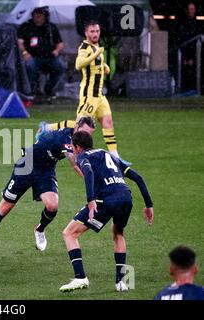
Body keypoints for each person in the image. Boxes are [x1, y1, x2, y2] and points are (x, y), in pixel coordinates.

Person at [0, 117, 96, 265]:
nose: (86, 137)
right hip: (27, 166)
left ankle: (40, 229)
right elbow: (76, 165)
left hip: (46, 170)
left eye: (90, 134)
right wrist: (94, 184)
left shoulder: (75, 136)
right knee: (5, 208)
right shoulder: (66, 140)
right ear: (77, 127)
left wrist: (40, 134)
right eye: (84, 132)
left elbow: (45, 126)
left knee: (52, 205)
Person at [59, 131, 153, 292]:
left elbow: (87, 172)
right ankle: (121, 282)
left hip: (106, 200)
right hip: (125, 198)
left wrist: (91, 200)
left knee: (69, 233)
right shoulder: (106, 154)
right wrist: (148, 205)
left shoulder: (83, 156)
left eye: (74, 147)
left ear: (78, 147)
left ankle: (80, 278)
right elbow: (137, 177)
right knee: (118, 233)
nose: (73, 150)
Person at [75, 21, 130, 165]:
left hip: (99, 94)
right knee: (81, 127)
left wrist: (103, 65)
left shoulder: (96, 46)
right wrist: (96, 55)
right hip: (89, 94)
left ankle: (116, 157)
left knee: (108, 122)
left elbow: (94, 63)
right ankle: (49, 128)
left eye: (97, 31)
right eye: (92, 31)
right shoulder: (85, 47)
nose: (95, 34)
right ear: (86, 33)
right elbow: (79, 64)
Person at [17, 7, 65, 99]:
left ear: (45, 17)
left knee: (60, 66)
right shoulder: (25, 26)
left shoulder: (51, 27)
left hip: (50, 56)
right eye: (36, 16)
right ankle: (32, 90)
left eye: (40, 16)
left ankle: (49, 89)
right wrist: (25, 53)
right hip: (32, 56)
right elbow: (19, 42)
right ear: (32, 16)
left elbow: (60, 43)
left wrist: (57, 51)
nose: (38, 18)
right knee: (30, 66)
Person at [176, 2, 202, 93]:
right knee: (186, 74)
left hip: (196, 54)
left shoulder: (197, 24)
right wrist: (185, 57)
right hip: (185, 54)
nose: (192, 11)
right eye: (190, 9)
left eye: (193, 9)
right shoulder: (182, 23)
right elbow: (181, 41)